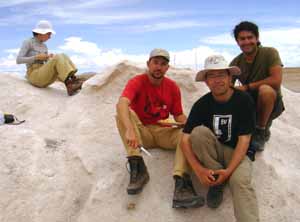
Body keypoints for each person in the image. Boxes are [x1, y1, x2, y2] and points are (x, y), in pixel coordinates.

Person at [116, 48, 204, 208]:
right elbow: (123, 102)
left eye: (163, 64)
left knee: (187, 135)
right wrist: (129, 129)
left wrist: (190, 124)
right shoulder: (137, 81)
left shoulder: (172, 87)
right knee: (122, 111)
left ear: (167, 68)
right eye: (155, 63)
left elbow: (178, 115)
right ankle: (138, 170)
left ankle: (182, 185)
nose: (159, 67)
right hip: (141, 133)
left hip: (163, 130)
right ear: (148, 64)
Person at [181, 55, 259, 221]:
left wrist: (229, 171)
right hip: (215, 151)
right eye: (212, 76)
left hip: (239, 153)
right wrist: (198, 169)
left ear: (230, 77)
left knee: (239, 183)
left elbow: (244, 140)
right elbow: (185, 139)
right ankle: (217, 181)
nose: (217, 80)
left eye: (221, 75)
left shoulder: (244, 100)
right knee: (198, 133)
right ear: (206, 81)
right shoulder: (202, 104)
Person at [230, 21, 285, 150]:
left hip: (271, 103)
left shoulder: (270, 53)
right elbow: (227, 86)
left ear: (257, 38)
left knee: (265, 90)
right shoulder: (236, 62)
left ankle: (261, 131)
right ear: (237, 42)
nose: (246, 42)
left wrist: (246, 87)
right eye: (242, 39)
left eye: (250, 37)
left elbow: (276, 80)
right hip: (249, 105)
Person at [16, 20, 83, 96]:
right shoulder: (28, 42)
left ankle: (72, 80)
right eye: (49, 34)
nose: (50, 37)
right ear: (41, 33)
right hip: (33, 75)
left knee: (63, 55)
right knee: (58, 56)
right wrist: (36, 57)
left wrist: (49, 58)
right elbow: (18, 60)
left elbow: (47, 64)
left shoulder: (44, 46)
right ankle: (70, 85)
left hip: (43, 75)